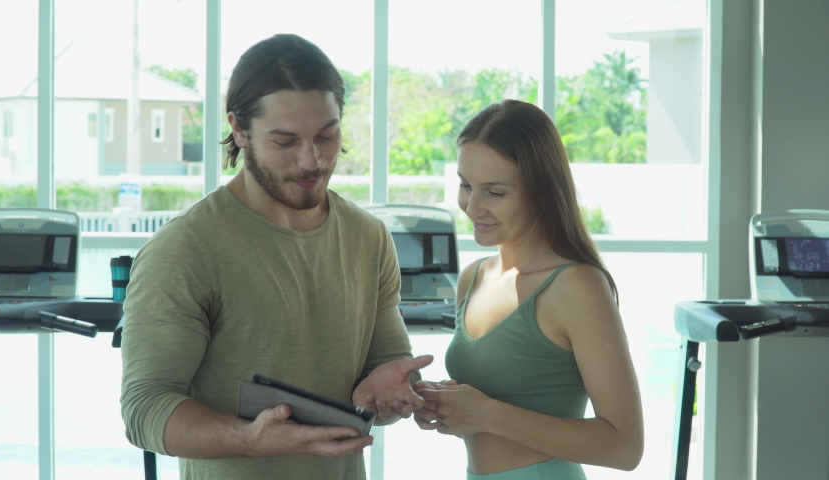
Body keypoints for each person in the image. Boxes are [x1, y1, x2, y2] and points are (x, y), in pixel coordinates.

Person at [119, 33, 432, 480]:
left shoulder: (368, 237)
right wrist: (247, 439)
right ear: (239, 129)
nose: (312, 161)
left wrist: (385, 396)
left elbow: (384, 375)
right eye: (285, 142)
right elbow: (144, 409)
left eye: (327, 135)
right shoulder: (186, 248)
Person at [413, 100, 644, 479]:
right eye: (465, 184)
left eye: (495, 192)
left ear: (541, 192)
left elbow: (625, 447)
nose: (472, 207)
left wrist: (488, 413)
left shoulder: (577, 286)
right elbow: (501, 425)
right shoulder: (473, 278)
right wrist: (451, 410)